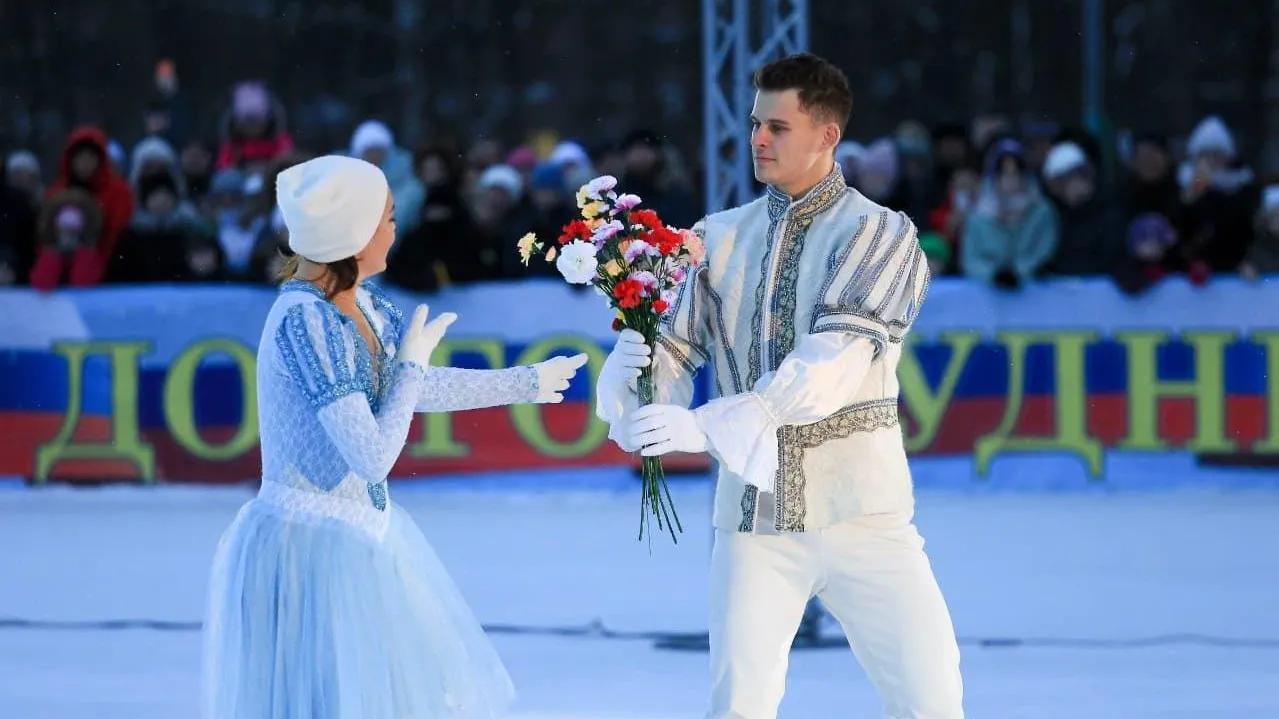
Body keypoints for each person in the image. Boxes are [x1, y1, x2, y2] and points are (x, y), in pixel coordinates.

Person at [596, 53, 964, 718]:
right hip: (753, 522)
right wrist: (634, 393)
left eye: (778, 126)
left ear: (827, 134)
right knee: (738, 706)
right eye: (755, 124)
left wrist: (707, 424)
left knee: (931, 700)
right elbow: (672, 352)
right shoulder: (716, 237)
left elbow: (832, 360)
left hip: (864, 512)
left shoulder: (880, 233)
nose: (759, 139)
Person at [200, 154, 587, 718]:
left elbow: (412, 387)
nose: (394, 226)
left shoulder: (360, 304)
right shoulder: (305, 321)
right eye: (386, 215)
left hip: (361, 541)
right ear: (352, 234)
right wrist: (408, 367)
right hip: (308, 550)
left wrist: (526, 382)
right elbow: (373, 456)